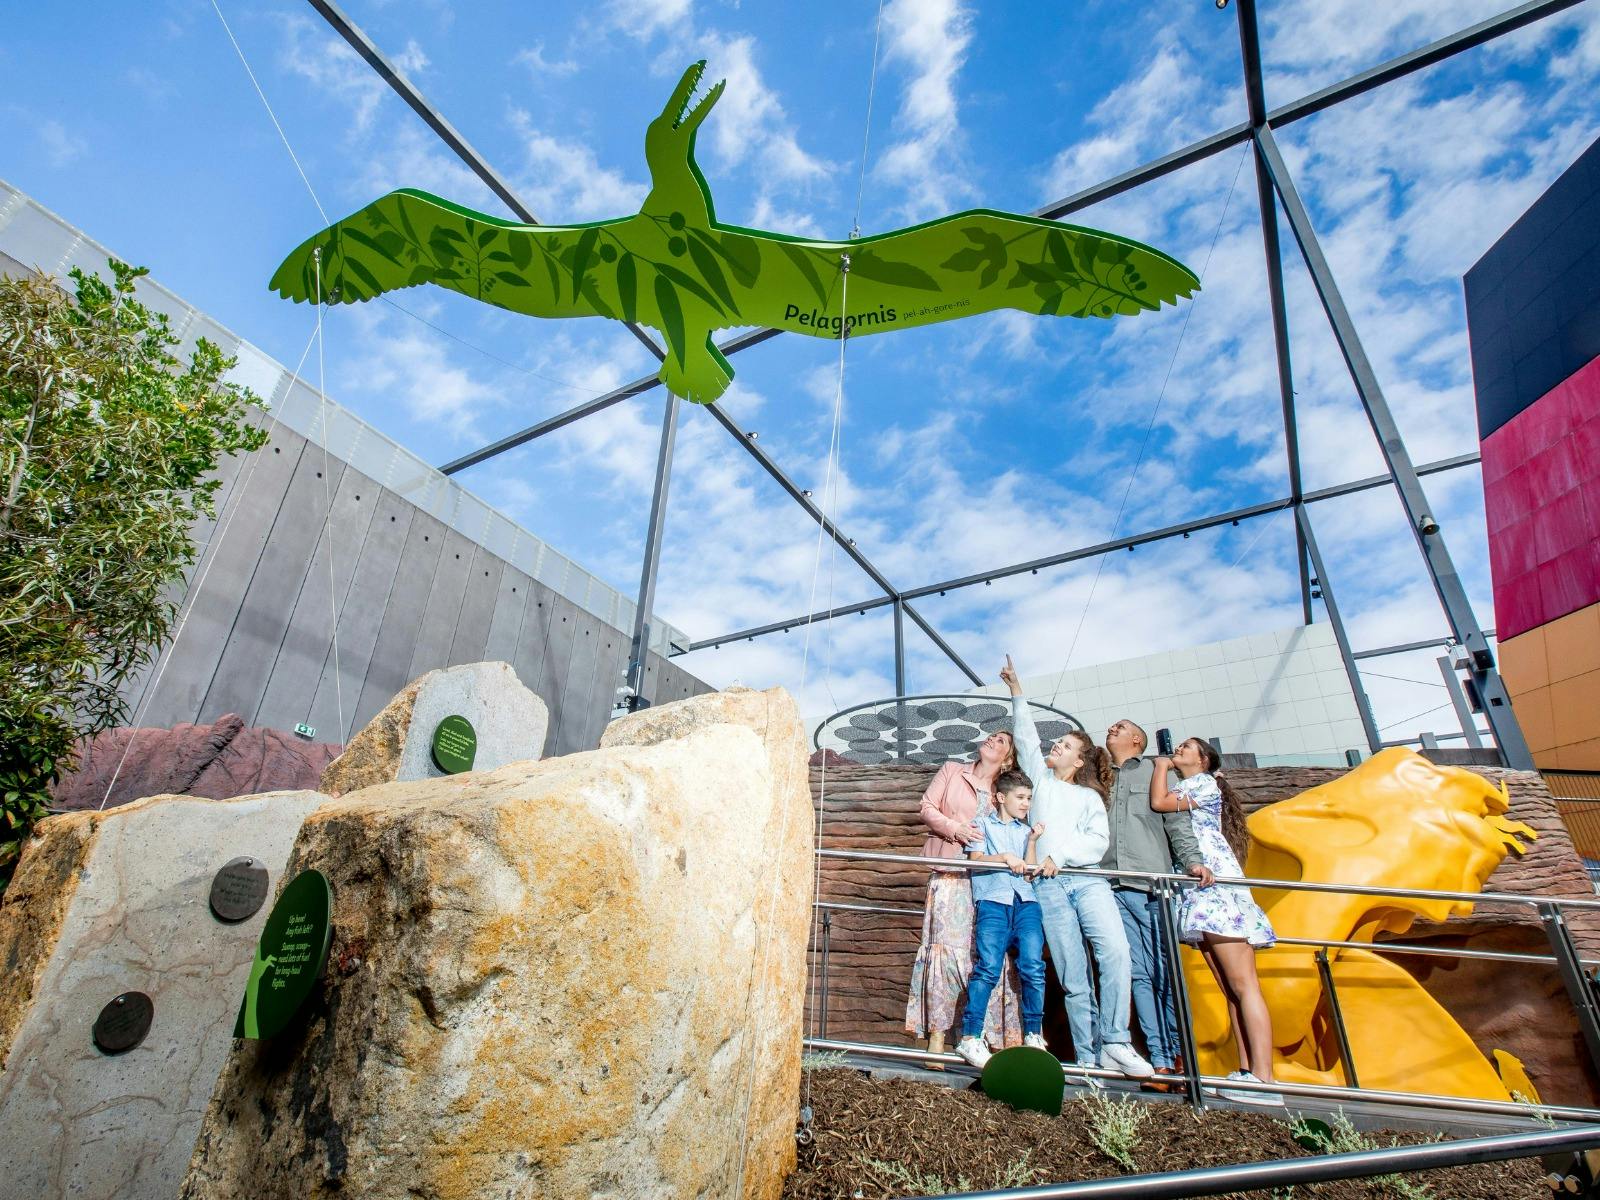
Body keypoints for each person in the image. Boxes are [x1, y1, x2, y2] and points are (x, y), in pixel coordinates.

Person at [1000, 656, 1150, 1079]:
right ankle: (1088, 1057)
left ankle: (1116, 1041)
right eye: (1057, 743)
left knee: (1116, 954)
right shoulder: (1040, 784)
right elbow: (1027, 738)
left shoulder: (1088, 799)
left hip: (1086, 882)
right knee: (1071, 972)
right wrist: (1017, 690)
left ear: (1079, 760)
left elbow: (1096, 841)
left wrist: (1058, 856)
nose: (1055, 747)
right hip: (1048, 890)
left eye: (1064, 746)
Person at [1150, 737, 1281, 1106]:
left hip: (1216, 887)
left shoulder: (1203, 784)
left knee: (1244, 984)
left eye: (1188, 747)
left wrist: (1160, 766)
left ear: (1204, 759)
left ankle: (1265, 1076)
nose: (1180, 750)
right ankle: (1247, 1069)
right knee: (1229, 986)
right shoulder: (1189, 786)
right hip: (1199, 890)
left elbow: (1159, 803)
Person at [1102, 716, 1214, 1090]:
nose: (1111, 730)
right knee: (1137, 975)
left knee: (1165, 972)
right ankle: (1160, 1062)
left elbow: (1177, 823)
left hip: (1151, 885)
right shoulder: (1100, 778)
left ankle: (1180, 1056)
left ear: (1137, 740)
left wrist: (1193, 860)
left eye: (1121, 727)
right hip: (1111, 886)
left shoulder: (1156, 769)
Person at [904, 729, 1022, 1058]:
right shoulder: (953, 770)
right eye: (992, 736)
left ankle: (990, 1037)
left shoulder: (1005, 790)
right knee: (942, 950)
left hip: (988, 880)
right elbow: (927, 806)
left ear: (1008, 757)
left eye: (1001, 741)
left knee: (987, 956)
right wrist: (955, 829)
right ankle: (938, 1038)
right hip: (951, 873)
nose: (992, 740)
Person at [953, 768, 1049, 1068]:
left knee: (1033, 967)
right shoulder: (981, 824)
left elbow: (1030, 872)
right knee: (988, 968)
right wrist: (1006, 857)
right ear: (1000, 797)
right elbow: (976, 861)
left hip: (1026, 903)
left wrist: (1032, 843)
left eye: (1029, 798)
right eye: (1020, 797)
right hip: (994, 902)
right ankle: (970, 1037)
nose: (1025, 804)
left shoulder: (1026, 830)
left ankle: (1034, 1033)